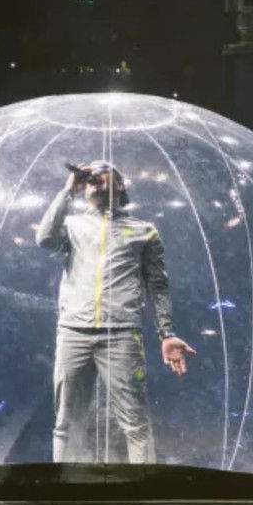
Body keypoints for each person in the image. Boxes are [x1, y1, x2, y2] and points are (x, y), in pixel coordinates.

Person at [35, 160, 196, 463]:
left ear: (120, 185)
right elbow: (44, 239)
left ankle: (143, 491)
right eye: (89, 178)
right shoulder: (73, 225)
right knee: (66, 422)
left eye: (101, 174)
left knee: (134, 421)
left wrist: (167, 332)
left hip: (121, 334)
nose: (93, 180)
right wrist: (67, 191)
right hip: (74, 332)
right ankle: (64, 490)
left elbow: (158, 284)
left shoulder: (144, 231)